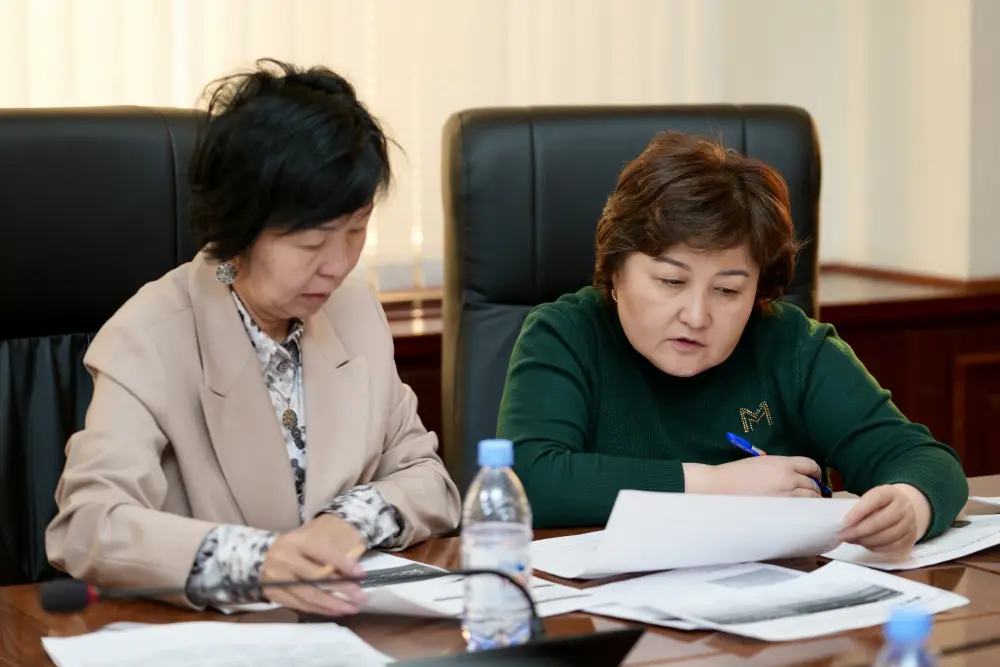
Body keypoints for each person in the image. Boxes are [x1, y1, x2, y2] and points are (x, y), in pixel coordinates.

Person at [45, 59, 461, 616]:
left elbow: (427, 478)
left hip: (351, 627)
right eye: (311, 243)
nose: (338, 264)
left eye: (357, 229)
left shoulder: (355, 310)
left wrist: (347, 524)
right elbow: (88, 524)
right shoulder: (148, 336)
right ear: (239, 228)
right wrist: (258, 560)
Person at [496, 131, 968, 554]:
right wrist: (716, 485)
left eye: (727, 290)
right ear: (615, 271)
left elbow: (922, 460)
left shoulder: (790, 344)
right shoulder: (565, 333)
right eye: (671, 281)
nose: (696, 316)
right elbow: (529, 479)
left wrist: (909, 506)